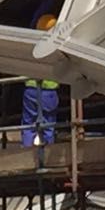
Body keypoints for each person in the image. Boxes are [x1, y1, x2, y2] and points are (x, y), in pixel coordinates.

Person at [22, 14, 61, 147]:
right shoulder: (57, 47)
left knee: (28, 125)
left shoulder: (31, 45)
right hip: (49, 92)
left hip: (31, 89)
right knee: (48, 126)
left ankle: (26, 154)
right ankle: (49, 154)